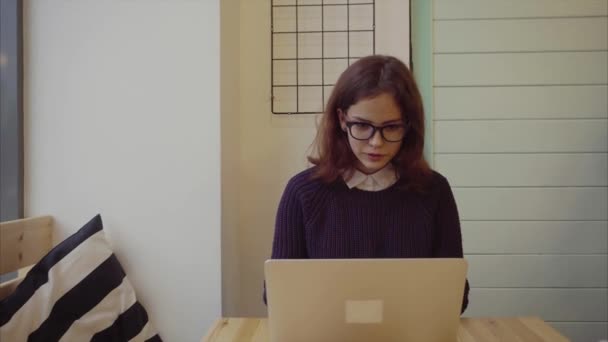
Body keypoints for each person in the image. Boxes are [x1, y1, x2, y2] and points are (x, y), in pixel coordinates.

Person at [266, 55, 469, 313]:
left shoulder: (434, 191)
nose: (376, 142)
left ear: (408, 127)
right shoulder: (303, 192)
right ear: (341, 119)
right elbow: (277, 296)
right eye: (362, 126)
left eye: (391, 127)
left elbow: (456, 297)